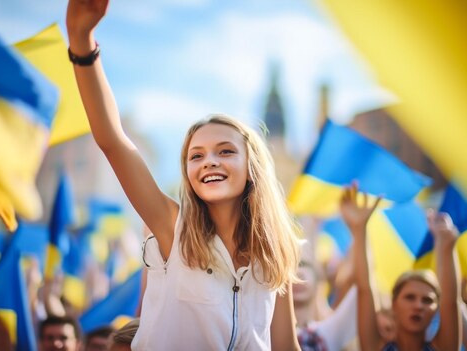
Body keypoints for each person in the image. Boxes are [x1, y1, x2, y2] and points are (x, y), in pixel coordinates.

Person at [65, 1, 301, 349]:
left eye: (225, 151)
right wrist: (81, 42)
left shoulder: (274, 254)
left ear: (252, 168)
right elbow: (113, 141)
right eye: (196, 156)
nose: (209, 162)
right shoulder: (170, 226)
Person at [341, 182, 462, 351]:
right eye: (410, 297)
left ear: (436, 310)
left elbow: (450, 301)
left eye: (427, 300)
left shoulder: (444, 348)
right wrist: (359, 230)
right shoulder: (375, 347)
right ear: (394, 304)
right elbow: (365, 288)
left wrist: (446, 247)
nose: (418, 306)